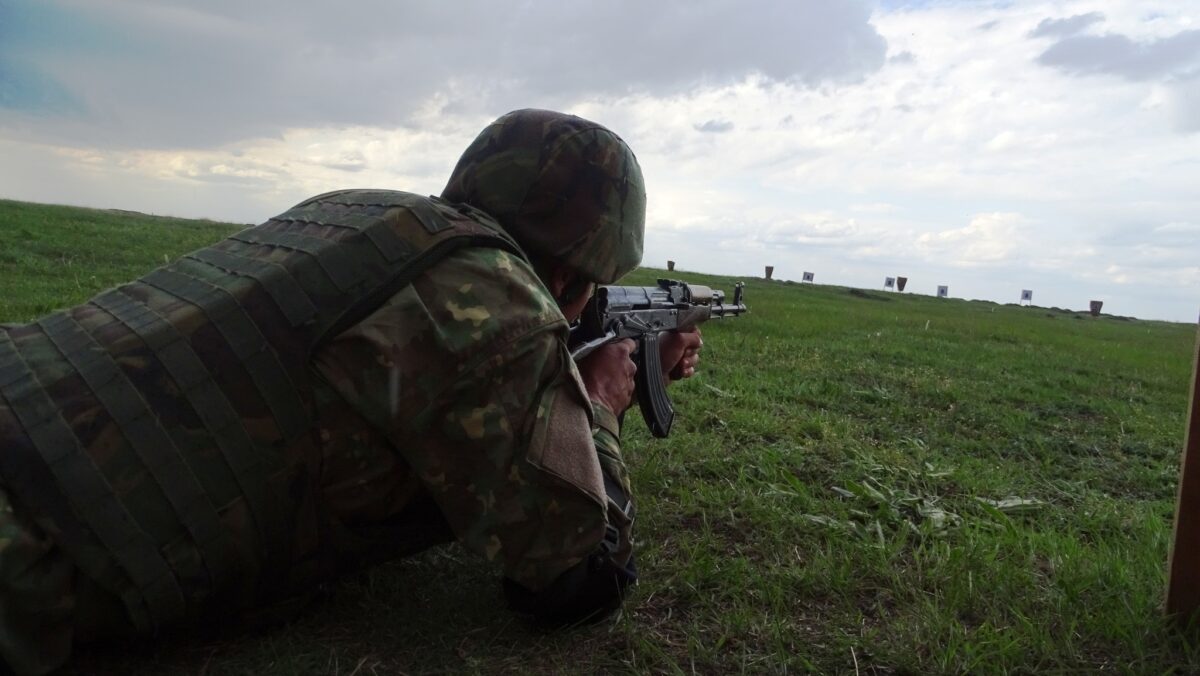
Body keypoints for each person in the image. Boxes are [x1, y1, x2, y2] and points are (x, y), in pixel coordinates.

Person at [0, 109, 702, 674]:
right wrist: (603, 403)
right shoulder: (492, 300)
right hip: (34, 541)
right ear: (587, 266)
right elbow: (576, 575)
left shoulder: (360, 210)